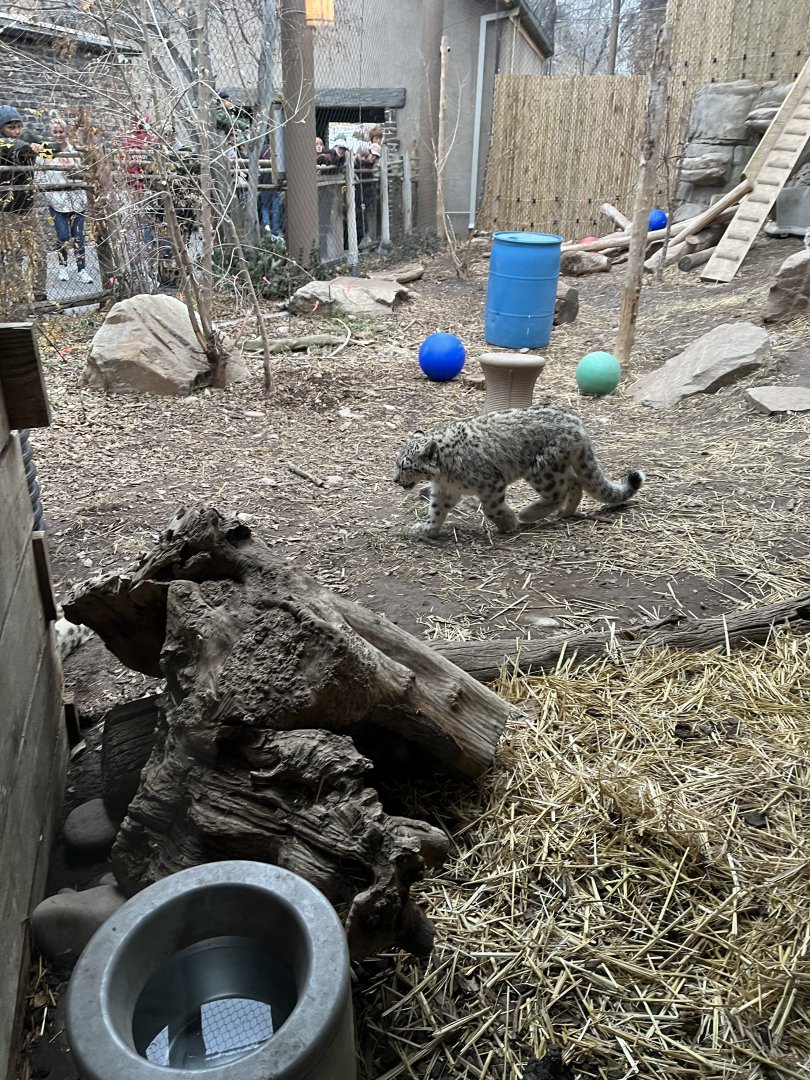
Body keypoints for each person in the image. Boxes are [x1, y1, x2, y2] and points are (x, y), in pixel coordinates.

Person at [0, 104, 60, 303]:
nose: (16, 131)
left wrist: (40, 148)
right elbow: (15, 147)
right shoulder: (3, 141)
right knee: (13, 255)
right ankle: (17, 298)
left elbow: (55, 148)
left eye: (18, 126)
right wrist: (32, 148)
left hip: (27, 206)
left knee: (39, 251)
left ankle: (39, 295)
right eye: (11, 127)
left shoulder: (26, 135)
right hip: (5, 210)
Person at [36, 117, 92, 285]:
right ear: (51, 133)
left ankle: (82, 269)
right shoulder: (47, 150)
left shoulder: (74, 150)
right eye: (55, 132)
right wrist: (47, 189)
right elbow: (39, 171)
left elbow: (85, 172)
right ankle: (63, 266)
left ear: (66, 132)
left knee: (78, 236)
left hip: (76, 199)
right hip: (57, 199)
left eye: (61, 131)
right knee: (63, 235)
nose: (59, 135)